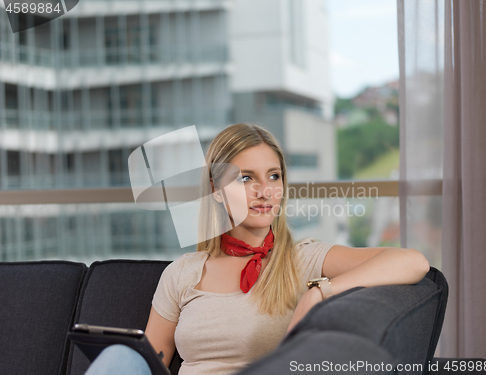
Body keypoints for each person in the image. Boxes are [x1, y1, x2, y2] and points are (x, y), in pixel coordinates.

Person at [84, 123, 430, 375]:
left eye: (274, 176)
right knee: (121, 357)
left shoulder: (304, 258)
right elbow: (152, 360)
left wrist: (321, 291)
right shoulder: (183, 272)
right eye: (246, 178)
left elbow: (412, 261)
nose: (265, 191)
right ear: (216, 190)